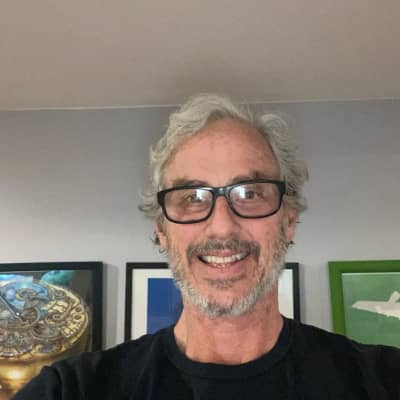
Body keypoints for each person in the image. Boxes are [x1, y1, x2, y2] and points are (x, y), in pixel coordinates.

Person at [13, 94, 400, 399]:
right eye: (192, 197)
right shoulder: (70, 390)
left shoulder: (384, 380)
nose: (222, 225)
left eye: (250, 193)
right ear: (162, 229)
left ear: (288, 221)